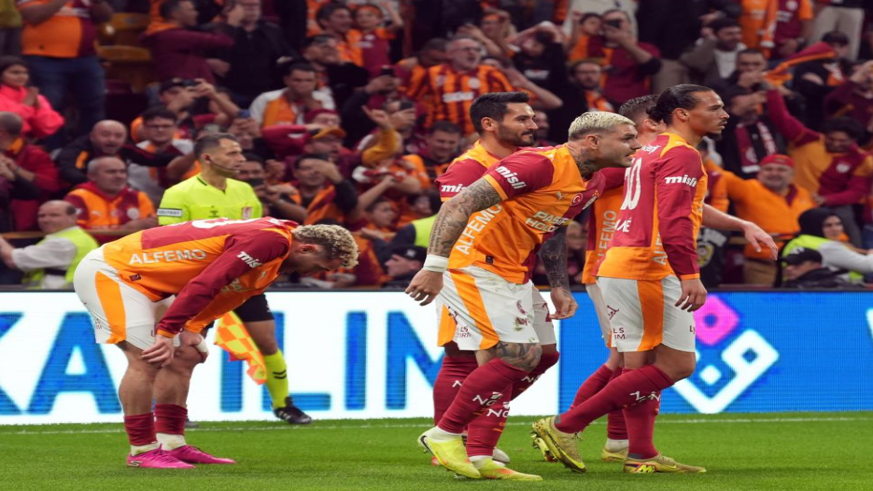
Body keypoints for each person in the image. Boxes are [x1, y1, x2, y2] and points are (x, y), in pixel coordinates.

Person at [531, 84, 776, 475]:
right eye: (714, 107)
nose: (724, 114)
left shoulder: (646, 152)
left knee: (637, 365)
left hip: (621, 263)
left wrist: (740, 224)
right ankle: (565, 426)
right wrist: (690, 274)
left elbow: (681, 209)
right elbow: (675, 220)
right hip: (650, 265)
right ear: (682, 114)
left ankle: (639, 452)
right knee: (677, 365)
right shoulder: (682, 154)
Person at [406, 110, 642, 480]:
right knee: (517, 355)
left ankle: (480, 456)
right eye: (627, 138)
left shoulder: (593, 179)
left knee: (544, 355)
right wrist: (433, 267)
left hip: (513, 271)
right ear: (593, 141)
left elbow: (554, 228)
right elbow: (457, 204)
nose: (636, 145)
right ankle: (447, 433)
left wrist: (559, 285)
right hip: (474, 263)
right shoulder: (538, 164)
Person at [73, 216, 358, 468]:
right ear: (307, 248)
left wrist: (193, 327)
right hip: (114, 272)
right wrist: (168, 331)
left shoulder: (280, 246)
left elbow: (234, 293)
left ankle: (171, 442)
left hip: (148, 279)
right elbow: (208, 283)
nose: (311, 274)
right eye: (318, 266)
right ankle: (142, 450)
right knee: (148, 358)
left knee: (186, 355)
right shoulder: (270, 241)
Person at [156, 133, 313, 424]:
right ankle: (175, 410)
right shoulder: (179, 193)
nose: (240, 159)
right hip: (202, 282)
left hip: (244, 280)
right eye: (232, 153)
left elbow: (261, 234)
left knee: (267, 341)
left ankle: (283, 404)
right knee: (187, 351)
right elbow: (168, 242)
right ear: (207, 158)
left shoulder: (244, 190)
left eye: (240, 152)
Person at [427, 92, 540, 477]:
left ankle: (463, 429)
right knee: (467, 356)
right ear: (489, 124)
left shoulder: (529, 161)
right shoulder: (468, 167)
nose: (532, 125)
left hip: (513, 271)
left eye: (531, 118)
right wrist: (441, 271)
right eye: (522, 119)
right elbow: (452, 221)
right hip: (471, 273)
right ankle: (457, 440)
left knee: (537, 355)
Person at [766, 87, 873, 245]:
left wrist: (827, 199)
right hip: (793, 197)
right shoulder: (806, 139)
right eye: (831, 139)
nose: (836, 144)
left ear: (854, 140)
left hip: (832, 205)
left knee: (848, 225)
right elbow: (782, 119)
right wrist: (773, 92)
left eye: (842, 141)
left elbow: (856, 192)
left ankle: (859, 255)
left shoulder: (861, 159)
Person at [16, 0, 112, 142]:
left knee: (93, 103)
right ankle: (54, 148)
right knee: (50, 105)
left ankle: (89, 146)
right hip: (44, 57)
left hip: (86, 57)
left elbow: (106, 17)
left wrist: (98, 2)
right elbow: (34, 16)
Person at [718, 153, 816, 285]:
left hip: (801, 265)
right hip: (763, 264)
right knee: (763, 298)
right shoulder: (748, 188)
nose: (774, 173)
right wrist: (703, 158)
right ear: (759, 172)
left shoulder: (804, 193)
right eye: (768, 169)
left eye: (781, 170)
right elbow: (723, 176)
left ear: (792, 174)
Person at [406, 35, 514, 135]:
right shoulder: (432, 73)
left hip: (481, 134)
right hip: (443, 135)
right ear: (450, 54)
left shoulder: (491, 73)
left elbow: (512, 101)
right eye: (466, 49)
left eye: (477, 50)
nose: (472, 53)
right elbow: (411, 99)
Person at [0, 200, 97, 288]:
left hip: (58, 297)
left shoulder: (63, 243)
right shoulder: (78, 237)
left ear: (73, 218)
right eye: (41, 216)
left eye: (54, 215)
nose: (46, 220)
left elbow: (14, 260)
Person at [64, 156, 157, 244]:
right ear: (92, 176)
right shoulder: (78, 197)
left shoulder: (138, 196)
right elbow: (76, 233)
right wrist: (124, 229)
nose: (119, 176)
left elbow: (151, 230)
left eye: (123, 172)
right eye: (111, 172)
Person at [140, 0, 234, 83]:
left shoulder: (172, 34)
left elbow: (179, 61)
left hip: (196, 86)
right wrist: (233, 20)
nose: (196, 13)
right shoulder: (173, 36)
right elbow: (224, 41)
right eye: (191, 10)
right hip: (185, 89)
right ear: (175, 14)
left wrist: (206, 63)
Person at [781, 208, 873, 283]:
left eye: (838, 224)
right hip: (833, 294)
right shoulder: (828, 247)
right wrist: (871, 254)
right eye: (828, 225)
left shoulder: (795, 241)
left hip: (793, 291)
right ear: (814, 226)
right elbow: (867, 266)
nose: (835, 229)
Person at [0, 56, 63, 139]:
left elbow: (47, 127)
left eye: (25, 73)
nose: (22, 76)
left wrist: (38, 108)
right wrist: (25, 106)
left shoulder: (34, 96)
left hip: (23, 143)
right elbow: (5, 125)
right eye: (15, 73)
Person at [780, 247, 854, 288]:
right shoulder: (790, 284)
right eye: (788, 264)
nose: (789, 268)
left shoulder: (832, 286)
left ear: (816, 265)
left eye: (797, 264)